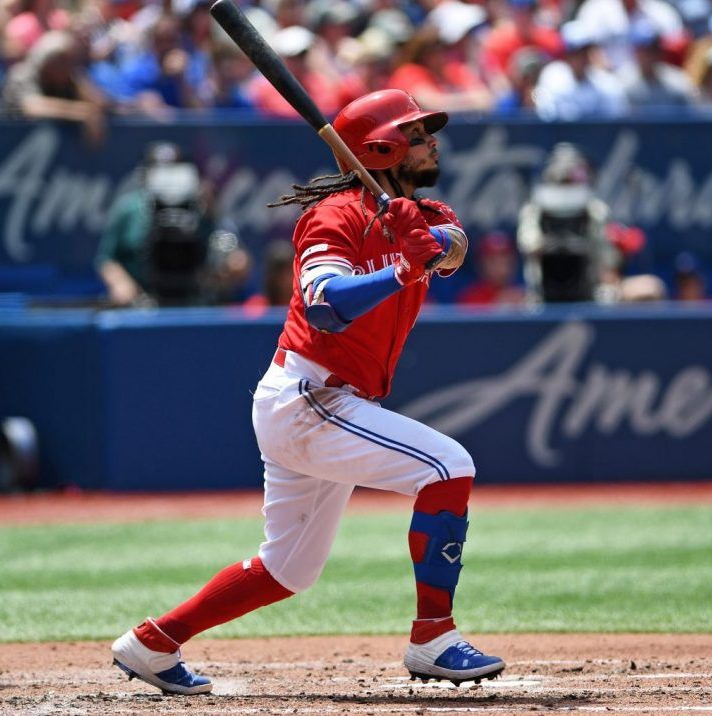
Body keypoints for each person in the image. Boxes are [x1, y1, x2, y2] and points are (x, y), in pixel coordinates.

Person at [110, 89, 505, 694]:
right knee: (448, 466)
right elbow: (325, 308)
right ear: (382, 147)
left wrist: (427, 247)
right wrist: (400, 268)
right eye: (419, 134)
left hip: (329, 403)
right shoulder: (332, 216)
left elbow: (453, 247)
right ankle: (434, 636)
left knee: (288, 570)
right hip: (310, 397)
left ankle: (152, 643)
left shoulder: (424, 212)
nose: (433, 143)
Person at [95, 141, 251, 307]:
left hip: (194, 302)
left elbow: (231, 248)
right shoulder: (129, 209)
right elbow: (106, 258)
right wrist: (121, 284)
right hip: (142, 302)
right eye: (160, 172)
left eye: (174, 171)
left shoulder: (202, 207)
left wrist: (233, 262)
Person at [517, 142, 622, 302]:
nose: (565, 178)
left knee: (608, 297)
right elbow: (528, 243)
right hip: (543, 292)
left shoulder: (595, 209)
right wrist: (554, 244)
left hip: (589, 289)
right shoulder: (534, 209)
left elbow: (607, 255)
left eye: (570, 174)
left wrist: (582, 246)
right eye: (560, 174)